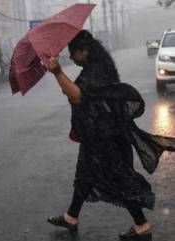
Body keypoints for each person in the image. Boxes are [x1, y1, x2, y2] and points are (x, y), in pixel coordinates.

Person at [44, 29, 175, 241]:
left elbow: (79, 96)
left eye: (73, 52)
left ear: (84, 51)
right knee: (85, 174)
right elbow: (84, 94)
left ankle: (142, 226)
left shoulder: (96, 69)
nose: (70, 56)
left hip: (106, 137)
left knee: (119, 177)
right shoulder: (96, 65)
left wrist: (58, 72)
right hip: (97, 133)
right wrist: (67, 84)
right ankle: (71, 217)